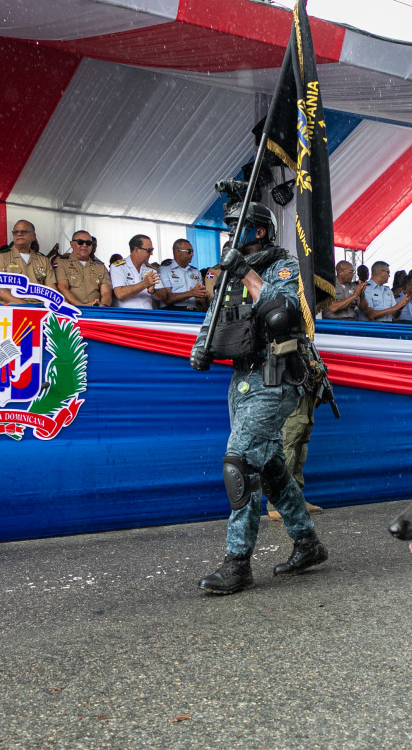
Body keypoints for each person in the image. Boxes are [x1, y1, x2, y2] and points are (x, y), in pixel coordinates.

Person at [189, 201, 328, 595]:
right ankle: (307, 543)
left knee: (240, 462)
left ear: (260, 231)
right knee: (269, 469)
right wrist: (201, 346)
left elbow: (281, 313)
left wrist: (245, 272)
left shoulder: (283, 267)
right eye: (229, 226)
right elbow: (214, 315)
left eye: (239, 226)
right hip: (242, 378)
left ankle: (237, 564)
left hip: (276, 375)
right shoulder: (227, 274)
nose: (231, 233)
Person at [0, 220, 53, 305]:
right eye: (15, 232)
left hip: (39, 306)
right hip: (12, 306)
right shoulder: (2, 257)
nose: (19, 234)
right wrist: (24, 305)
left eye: (24, 231)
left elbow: (51, 288)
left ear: (33, 236)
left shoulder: (43, 260)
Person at [55, 230, 112, 307]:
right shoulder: (62, 262)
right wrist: (81, 306)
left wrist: (103, 306)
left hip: (95, 310)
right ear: (72, 244)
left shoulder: (100, 266)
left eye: (88, 243)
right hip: (71, 309)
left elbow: (106, 292)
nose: (84, 245)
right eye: (80, 242)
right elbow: (62, 287)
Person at [155, 238, 211, 311]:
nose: (192, 254)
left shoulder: (196, 272)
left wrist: (201, 299)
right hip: (173, 311)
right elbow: (166, 298)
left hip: (193, 311)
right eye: (189, 251)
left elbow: (203, 302)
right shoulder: (164, 270)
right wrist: (191, 293)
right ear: (177, 252)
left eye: (192, 251)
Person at [110, 234, 159, 309]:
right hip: (128, 314)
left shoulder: (151, 269)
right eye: (149, 250)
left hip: (148, 314)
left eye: (152, 250)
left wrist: (153, 291)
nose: (151, 254)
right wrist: (145, 283)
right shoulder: (118, 267)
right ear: (136, 250)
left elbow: (163, 297)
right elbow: (120, 294)